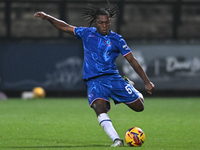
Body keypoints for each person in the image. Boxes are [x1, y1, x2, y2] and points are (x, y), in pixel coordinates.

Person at [34, 3, 154, 147]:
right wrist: (48, 17)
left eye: (107, 22)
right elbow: (65, 27)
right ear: (96, 22)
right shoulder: (87, 33)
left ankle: (129, 86)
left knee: (139, 107)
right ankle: (117, 140)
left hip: (113, 78)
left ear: (110, 21)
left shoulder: (117, 39)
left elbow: (132, 60)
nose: (104, 25)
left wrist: (147, 81)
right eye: (101, 22)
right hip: (94, 81)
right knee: (99, 107)